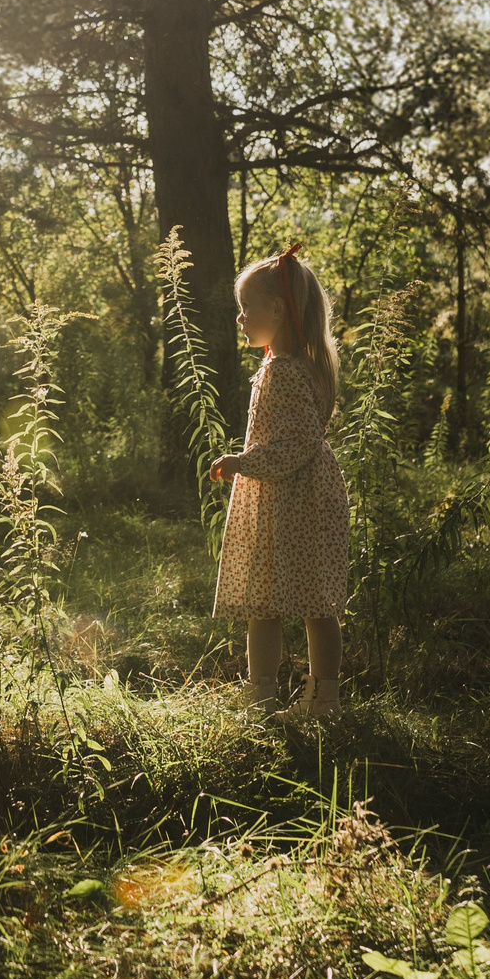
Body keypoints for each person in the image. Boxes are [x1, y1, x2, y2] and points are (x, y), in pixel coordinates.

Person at [209, 245, 350, 719]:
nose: (240, 318)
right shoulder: (297, 364)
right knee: (311, 602)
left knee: (275, 602)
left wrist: (242, 462)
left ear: (276, 310)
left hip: (293, 501)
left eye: (246, 308)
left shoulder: (284, 371)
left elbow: (298, 443)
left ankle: (279, 699)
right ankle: (308, 699)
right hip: (301, 497)